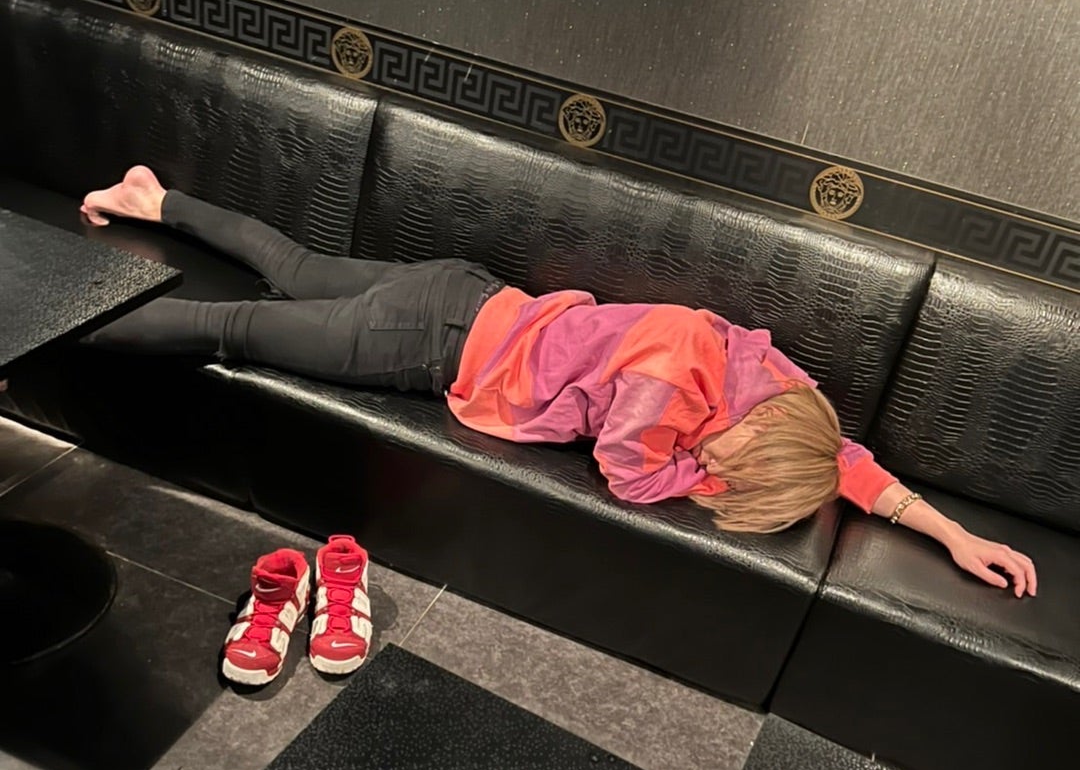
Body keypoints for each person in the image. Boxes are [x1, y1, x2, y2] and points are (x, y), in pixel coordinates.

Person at [78, 166, 1036, 597]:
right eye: (734, 473)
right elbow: (629, 471)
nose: (721, 479)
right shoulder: (672, 389)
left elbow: (839, 456)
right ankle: (49, 324)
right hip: (435, 346)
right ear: (748, 442)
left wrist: (953, 533)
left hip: (466, 291)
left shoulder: (766, 377)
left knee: (291, 266)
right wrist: (704, 479)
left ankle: (153, 198)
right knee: (234, 331)